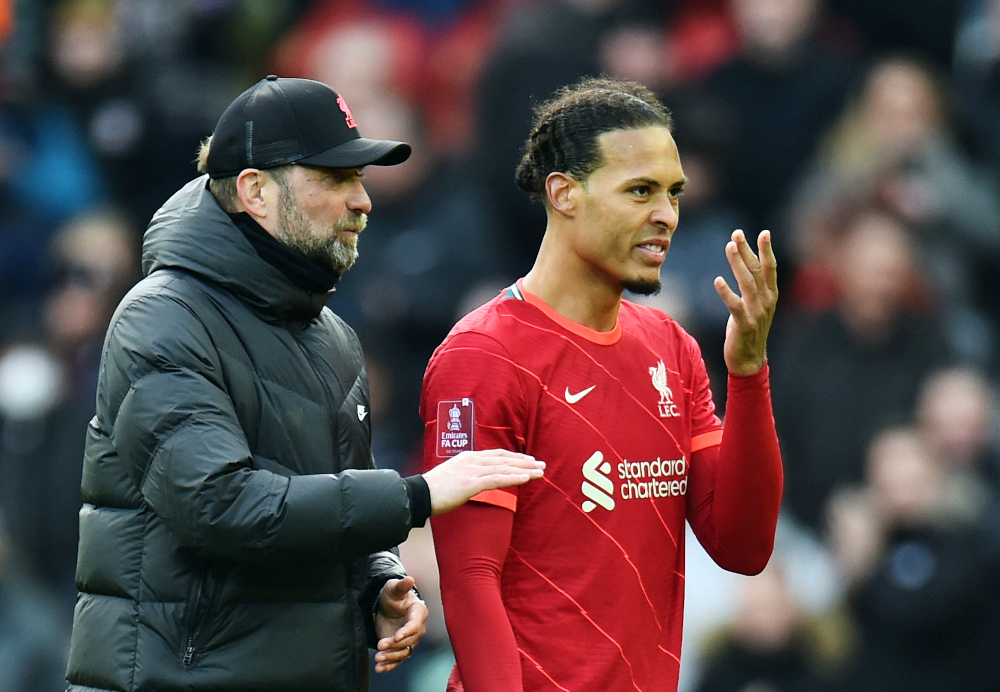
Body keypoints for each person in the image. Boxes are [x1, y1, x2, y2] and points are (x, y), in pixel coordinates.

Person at [64, 75, 545, 692]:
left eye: (361, 178)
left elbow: (325, 506)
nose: (363, 200)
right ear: (255, 190)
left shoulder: (333, 338)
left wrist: (379, 581)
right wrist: (415, 496)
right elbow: (221, 506)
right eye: (335, 178)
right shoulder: (164, 315)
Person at [420, 77, 783, 692]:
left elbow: (742, 547)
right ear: (564, 194)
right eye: (639, 191)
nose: (665, 214)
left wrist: (748, 373)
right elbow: (468, 577)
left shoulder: (672, 347)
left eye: (673, 192)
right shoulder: (485, 355)